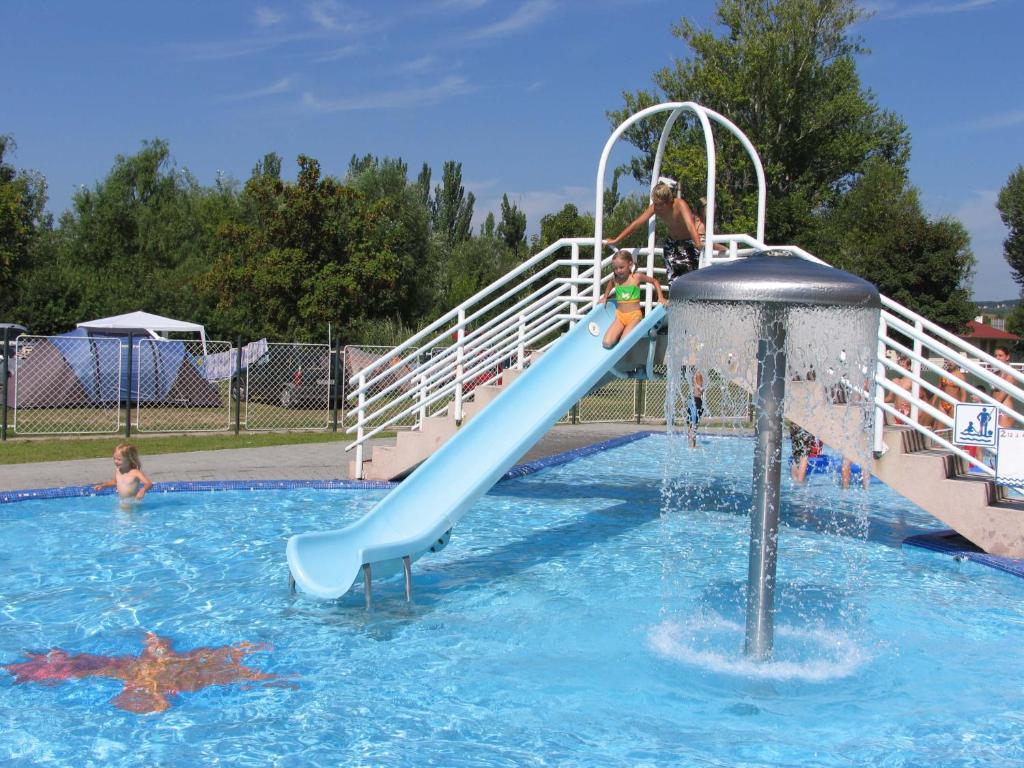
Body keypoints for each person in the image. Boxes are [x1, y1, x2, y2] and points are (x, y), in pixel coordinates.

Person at [603, 179, 703, 284]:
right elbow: (637, 223)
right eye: (655, 203)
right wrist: (617, 240)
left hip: (688, 242)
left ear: (668, 201)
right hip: (672, 243)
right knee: (673, 279)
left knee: (692, 277)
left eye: (659, 204)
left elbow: (690, 226)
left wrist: (698, 244)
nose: (657, 207)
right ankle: (674, 298)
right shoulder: (655, 207)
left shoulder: (680, 205)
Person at [597, 250, 668, 349]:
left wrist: (661, 297)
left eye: (621, 267)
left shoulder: (636, 277)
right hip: (620, 316)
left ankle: (625, 334)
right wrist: (605, 297)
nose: (618, 270)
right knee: (606, 343)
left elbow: (654, 281)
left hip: (634, 316)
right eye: (616, 268)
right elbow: (610, 285)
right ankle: (620, 334)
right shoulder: (615, 279)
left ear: (630, 265)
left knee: (623, 343)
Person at [992, 345, 1018, 428]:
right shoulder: (998, 373)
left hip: (1005, 410)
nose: (997, 358)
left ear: (1007, 357)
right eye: (995, 355)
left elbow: (1001, 397)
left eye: (1000, 355)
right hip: (996, 407)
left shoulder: (1010, 374)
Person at [686, 369, 705, 449]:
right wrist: (700, 388)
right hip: (694, 401)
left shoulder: (697, 379)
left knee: (693, 424)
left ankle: (691, 443)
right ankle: (692, 445)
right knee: (693, 424)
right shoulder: (696, 380)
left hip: (696, 401)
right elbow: (698, 387)